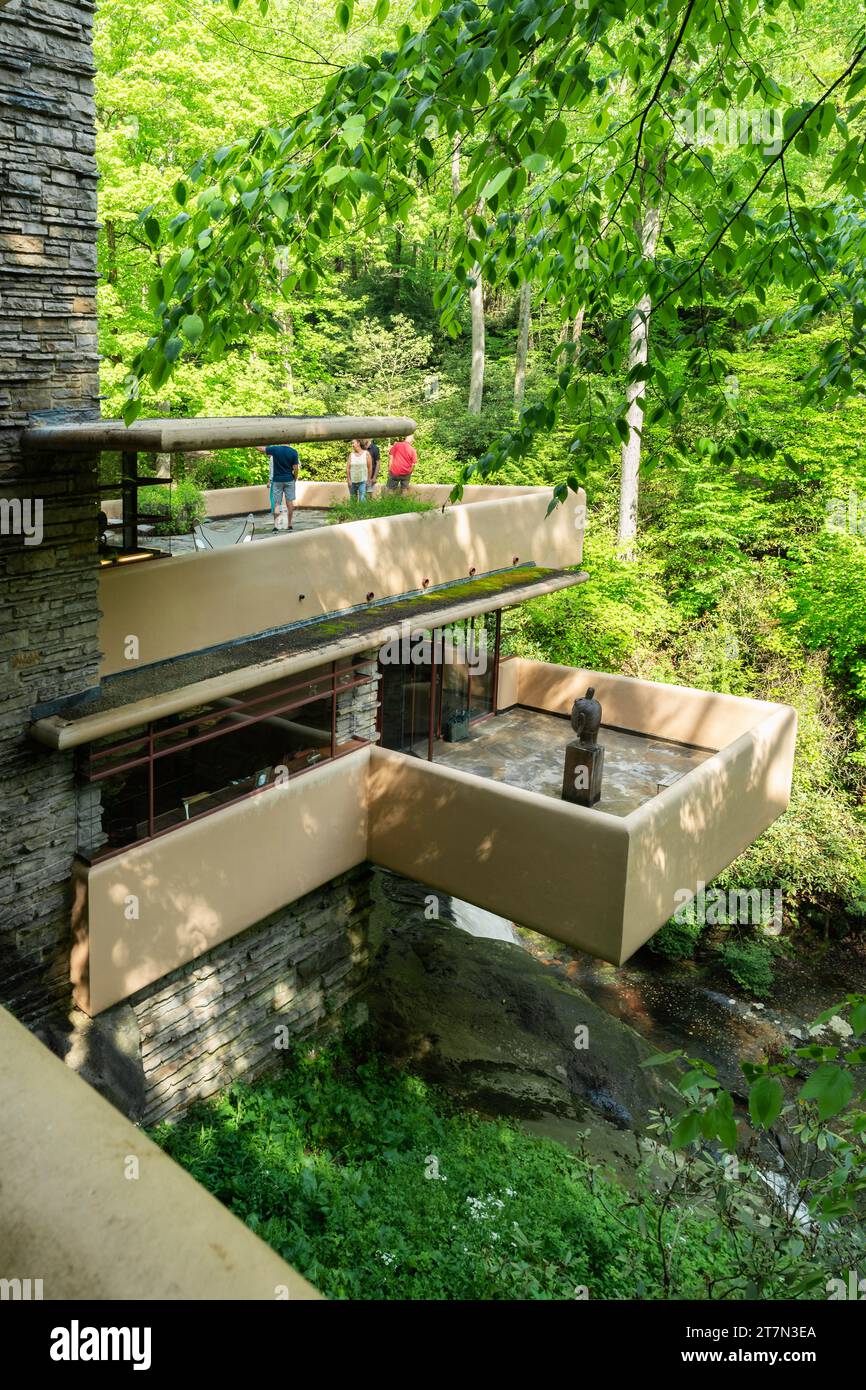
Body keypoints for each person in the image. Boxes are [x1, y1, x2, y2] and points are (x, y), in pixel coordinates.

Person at [258, 442, 300, 531]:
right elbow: (296, 468)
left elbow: (261, 449)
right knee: (290, 503)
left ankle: (276, 526)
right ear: (289, 442)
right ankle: (289, 525)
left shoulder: (275, 449)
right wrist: (294, 478)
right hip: (289, 480)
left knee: (277, 503)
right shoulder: (293, 452)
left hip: (277, 480)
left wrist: (251, 441)